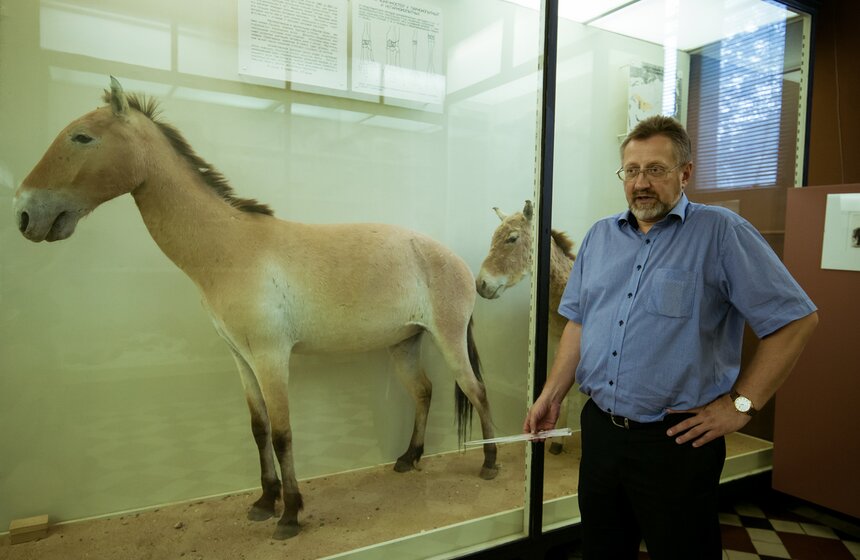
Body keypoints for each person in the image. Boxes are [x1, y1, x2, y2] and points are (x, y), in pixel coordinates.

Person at [524, 115, 818, 559]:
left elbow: (796, 320)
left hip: (677, 442)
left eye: (656, 170)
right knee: (603, 549)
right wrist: (552, 392)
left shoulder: (722, 233)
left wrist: (741, 405)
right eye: (632, 170)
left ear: (685, 173)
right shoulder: (600, 237)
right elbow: (580, 322)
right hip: (601, 432)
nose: (641, 182)